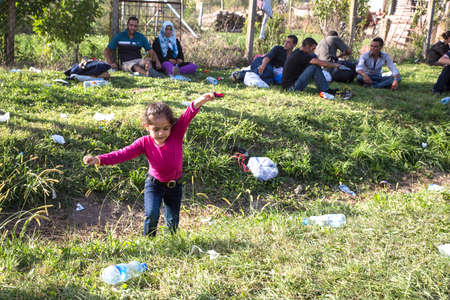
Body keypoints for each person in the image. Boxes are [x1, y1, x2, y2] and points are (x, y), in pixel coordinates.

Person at [83, 93, 217, 236]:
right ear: (147, 127)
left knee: (172, 218)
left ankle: (172, 242)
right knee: (152, 214)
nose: (161, 133)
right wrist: (99, 159)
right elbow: (122, 153)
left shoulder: (176, 134)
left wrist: (202, 99)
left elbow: (188, 113)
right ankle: (149, 241)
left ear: (171, 125)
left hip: (174, 185)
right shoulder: (144, 143)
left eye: (165, 128)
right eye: (156, 129)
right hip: (154, 185)